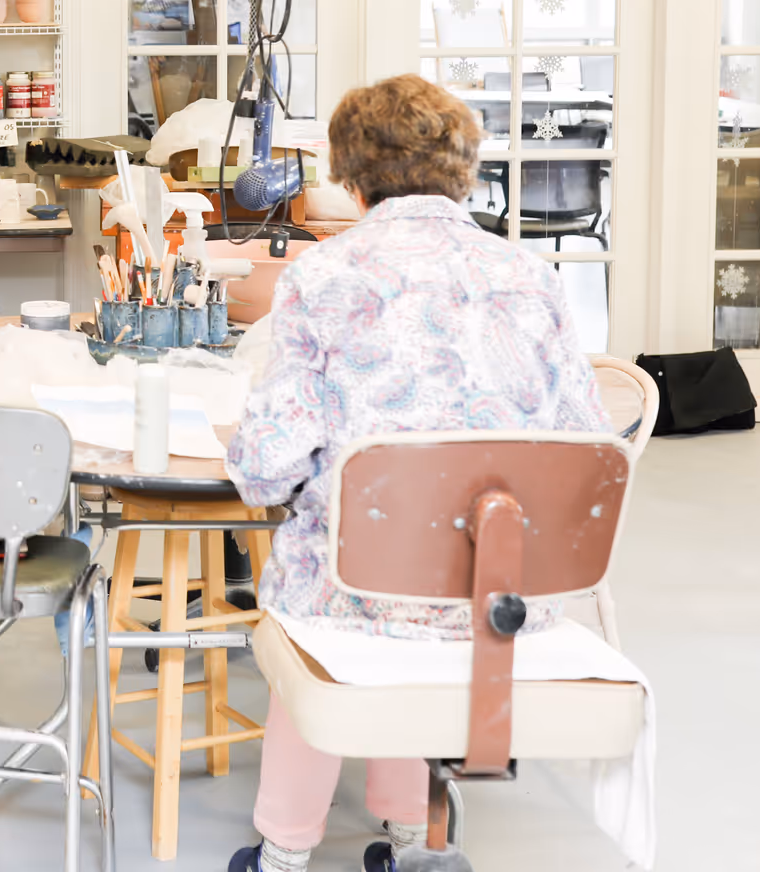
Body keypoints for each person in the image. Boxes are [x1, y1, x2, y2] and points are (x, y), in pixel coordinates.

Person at [223, 74, 609, 872]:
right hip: (502, 598)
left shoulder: (322, 278)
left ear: (348, 174)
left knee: (324, 580)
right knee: (397, 565)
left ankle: (284, 853)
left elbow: (264, 471)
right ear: (463, 167)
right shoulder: (534, 279)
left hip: (362, 600)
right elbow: (586, 455)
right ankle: (407, 835)